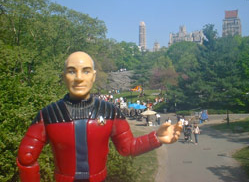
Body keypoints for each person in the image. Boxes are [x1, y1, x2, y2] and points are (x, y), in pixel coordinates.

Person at [17, 51, 182, 182]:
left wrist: (156, 138)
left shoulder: (110, 111)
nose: (79, 78)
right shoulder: (49, 114)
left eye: (86, 71)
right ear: (64, 76)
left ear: (94, 76)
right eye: (71, 71)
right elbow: (26, 157)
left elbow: (127, 147)